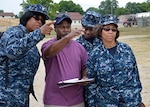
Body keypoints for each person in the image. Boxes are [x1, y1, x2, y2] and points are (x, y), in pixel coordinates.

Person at [0, 4, 54, 107]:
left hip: (21, 97)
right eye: (36, 17)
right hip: (6, 97)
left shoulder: (30, 38)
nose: (39, 22)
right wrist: (38, 34)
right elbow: (13, 52)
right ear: (26, 17)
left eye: (42, 20)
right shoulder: (14, 32)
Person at [86, 14, 142, 107]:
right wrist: (91, 104)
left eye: (114, 29)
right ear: (100, 32)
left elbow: (135, 75)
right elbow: (91, 83)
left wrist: (137, 96)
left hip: (130, 101)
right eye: (107, 29)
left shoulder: (126, 49)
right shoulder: (94, 54)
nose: (110, 32)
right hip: (106, 102)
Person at [41, 13, 88, 107]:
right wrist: (68, 37)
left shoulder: (79, 47)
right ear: (55, 28)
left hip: (77, 100)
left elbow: (84, 66)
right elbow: (49, 52)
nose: (66, 30)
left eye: (68, 27)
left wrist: (84, 77)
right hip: (54, 100)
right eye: (62, 27)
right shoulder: (48, 45)